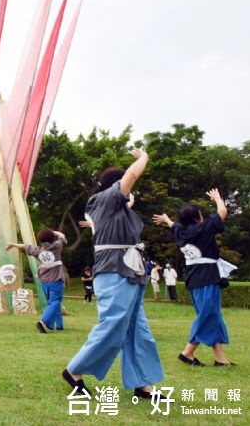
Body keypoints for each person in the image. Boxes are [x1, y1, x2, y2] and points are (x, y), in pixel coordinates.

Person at [62, 149, 162, 401]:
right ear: (114, 186)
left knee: (138, 329)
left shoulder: (118, 209)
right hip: (113, 271)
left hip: (132, 271)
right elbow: (130, 177)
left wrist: (129, 200)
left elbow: (128, 200)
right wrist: (143, 158)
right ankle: (73, 371)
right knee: (114, 323)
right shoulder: (101, 201)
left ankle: (143, 383)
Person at [153, 188, 234, 367]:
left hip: (194, 280)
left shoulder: (181, 232)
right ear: (198, 217)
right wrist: (218, 198)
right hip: (207, 279)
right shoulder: (204, 228)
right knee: (207, 316)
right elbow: (222, 212)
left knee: (212, 316)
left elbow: (173, 226)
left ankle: (220, 358)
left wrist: (167, 219)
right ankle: (187, 352)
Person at [5, 228, 68, 333]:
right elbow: (62, 235)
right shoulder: (57, 246)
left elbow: (25, 246)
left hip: (44, 280)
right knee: (55, 301)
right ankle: (43, 321)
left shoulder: (37, 251)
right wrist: (52, 232)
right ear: (52, 237)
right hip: (56, 279)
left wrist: (13, 244)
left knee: (53, 302)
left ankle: (59, 325)